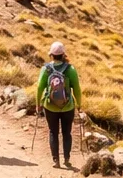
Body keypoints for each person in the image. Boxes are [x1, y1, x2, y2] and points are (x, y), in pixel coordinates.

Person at [36, 42, 82, 170]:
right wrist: (79, 104)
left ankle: (56, 160)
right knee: (67, 133)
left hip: (50, 107)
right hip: (68, 107)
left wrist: (38, 104)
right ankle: (67, 158)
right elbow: (77, 89)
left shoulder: (46, 69)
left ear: (51, 55)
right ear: (63, 54)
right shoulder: (70, 70)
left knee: (53, 132)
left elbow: (40, 87)